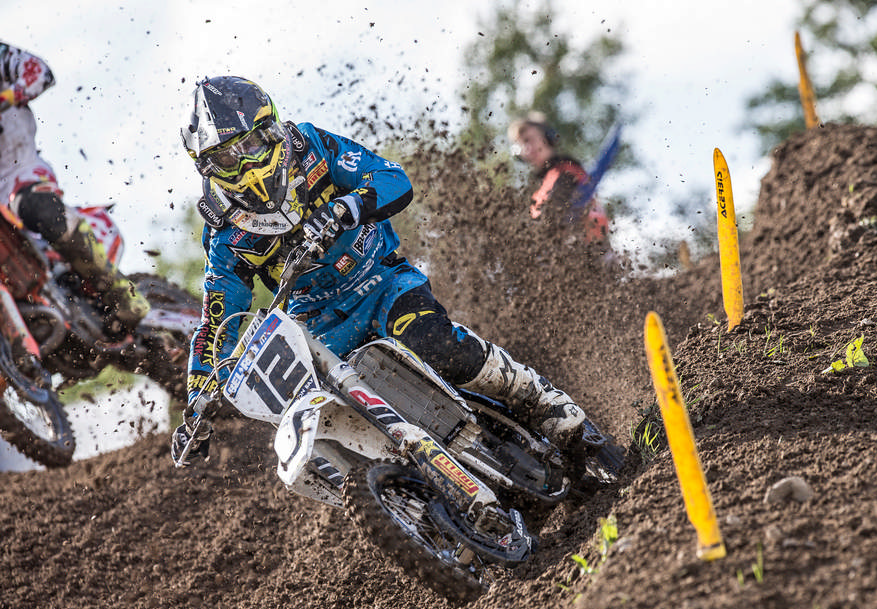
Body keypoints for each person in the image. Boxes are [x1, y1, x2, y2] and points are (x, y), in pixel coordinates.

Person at [171, 76, 586, 464]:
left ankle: (537, 396)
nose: (245, 164)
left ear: (270, 130)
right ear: (207, 167)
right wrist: (197, 402)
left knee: (434, 344)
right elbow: (217, 324)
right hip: (319, 331)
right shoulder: (225, 234)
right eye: (227, 158)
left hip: (382, 283)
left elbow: (391, 177)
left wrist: (349, 205)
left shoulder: (311, 146)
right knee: (334, 428)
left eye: (250, 144)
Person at [0, 41, 149, 331]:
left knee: (36, 207)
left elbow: (38, 72)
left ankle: (118, 291)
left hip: (19, 173)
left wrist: (6, 96)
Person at [508, 112, 615, 261]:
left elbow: (558, 209)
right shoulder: (536, 191)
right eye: (521, 145)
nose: (527, 148)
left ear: (547, 137)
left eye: (529, 140)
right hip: (560, 261)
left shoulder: (566, 170)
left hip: (591, 256)